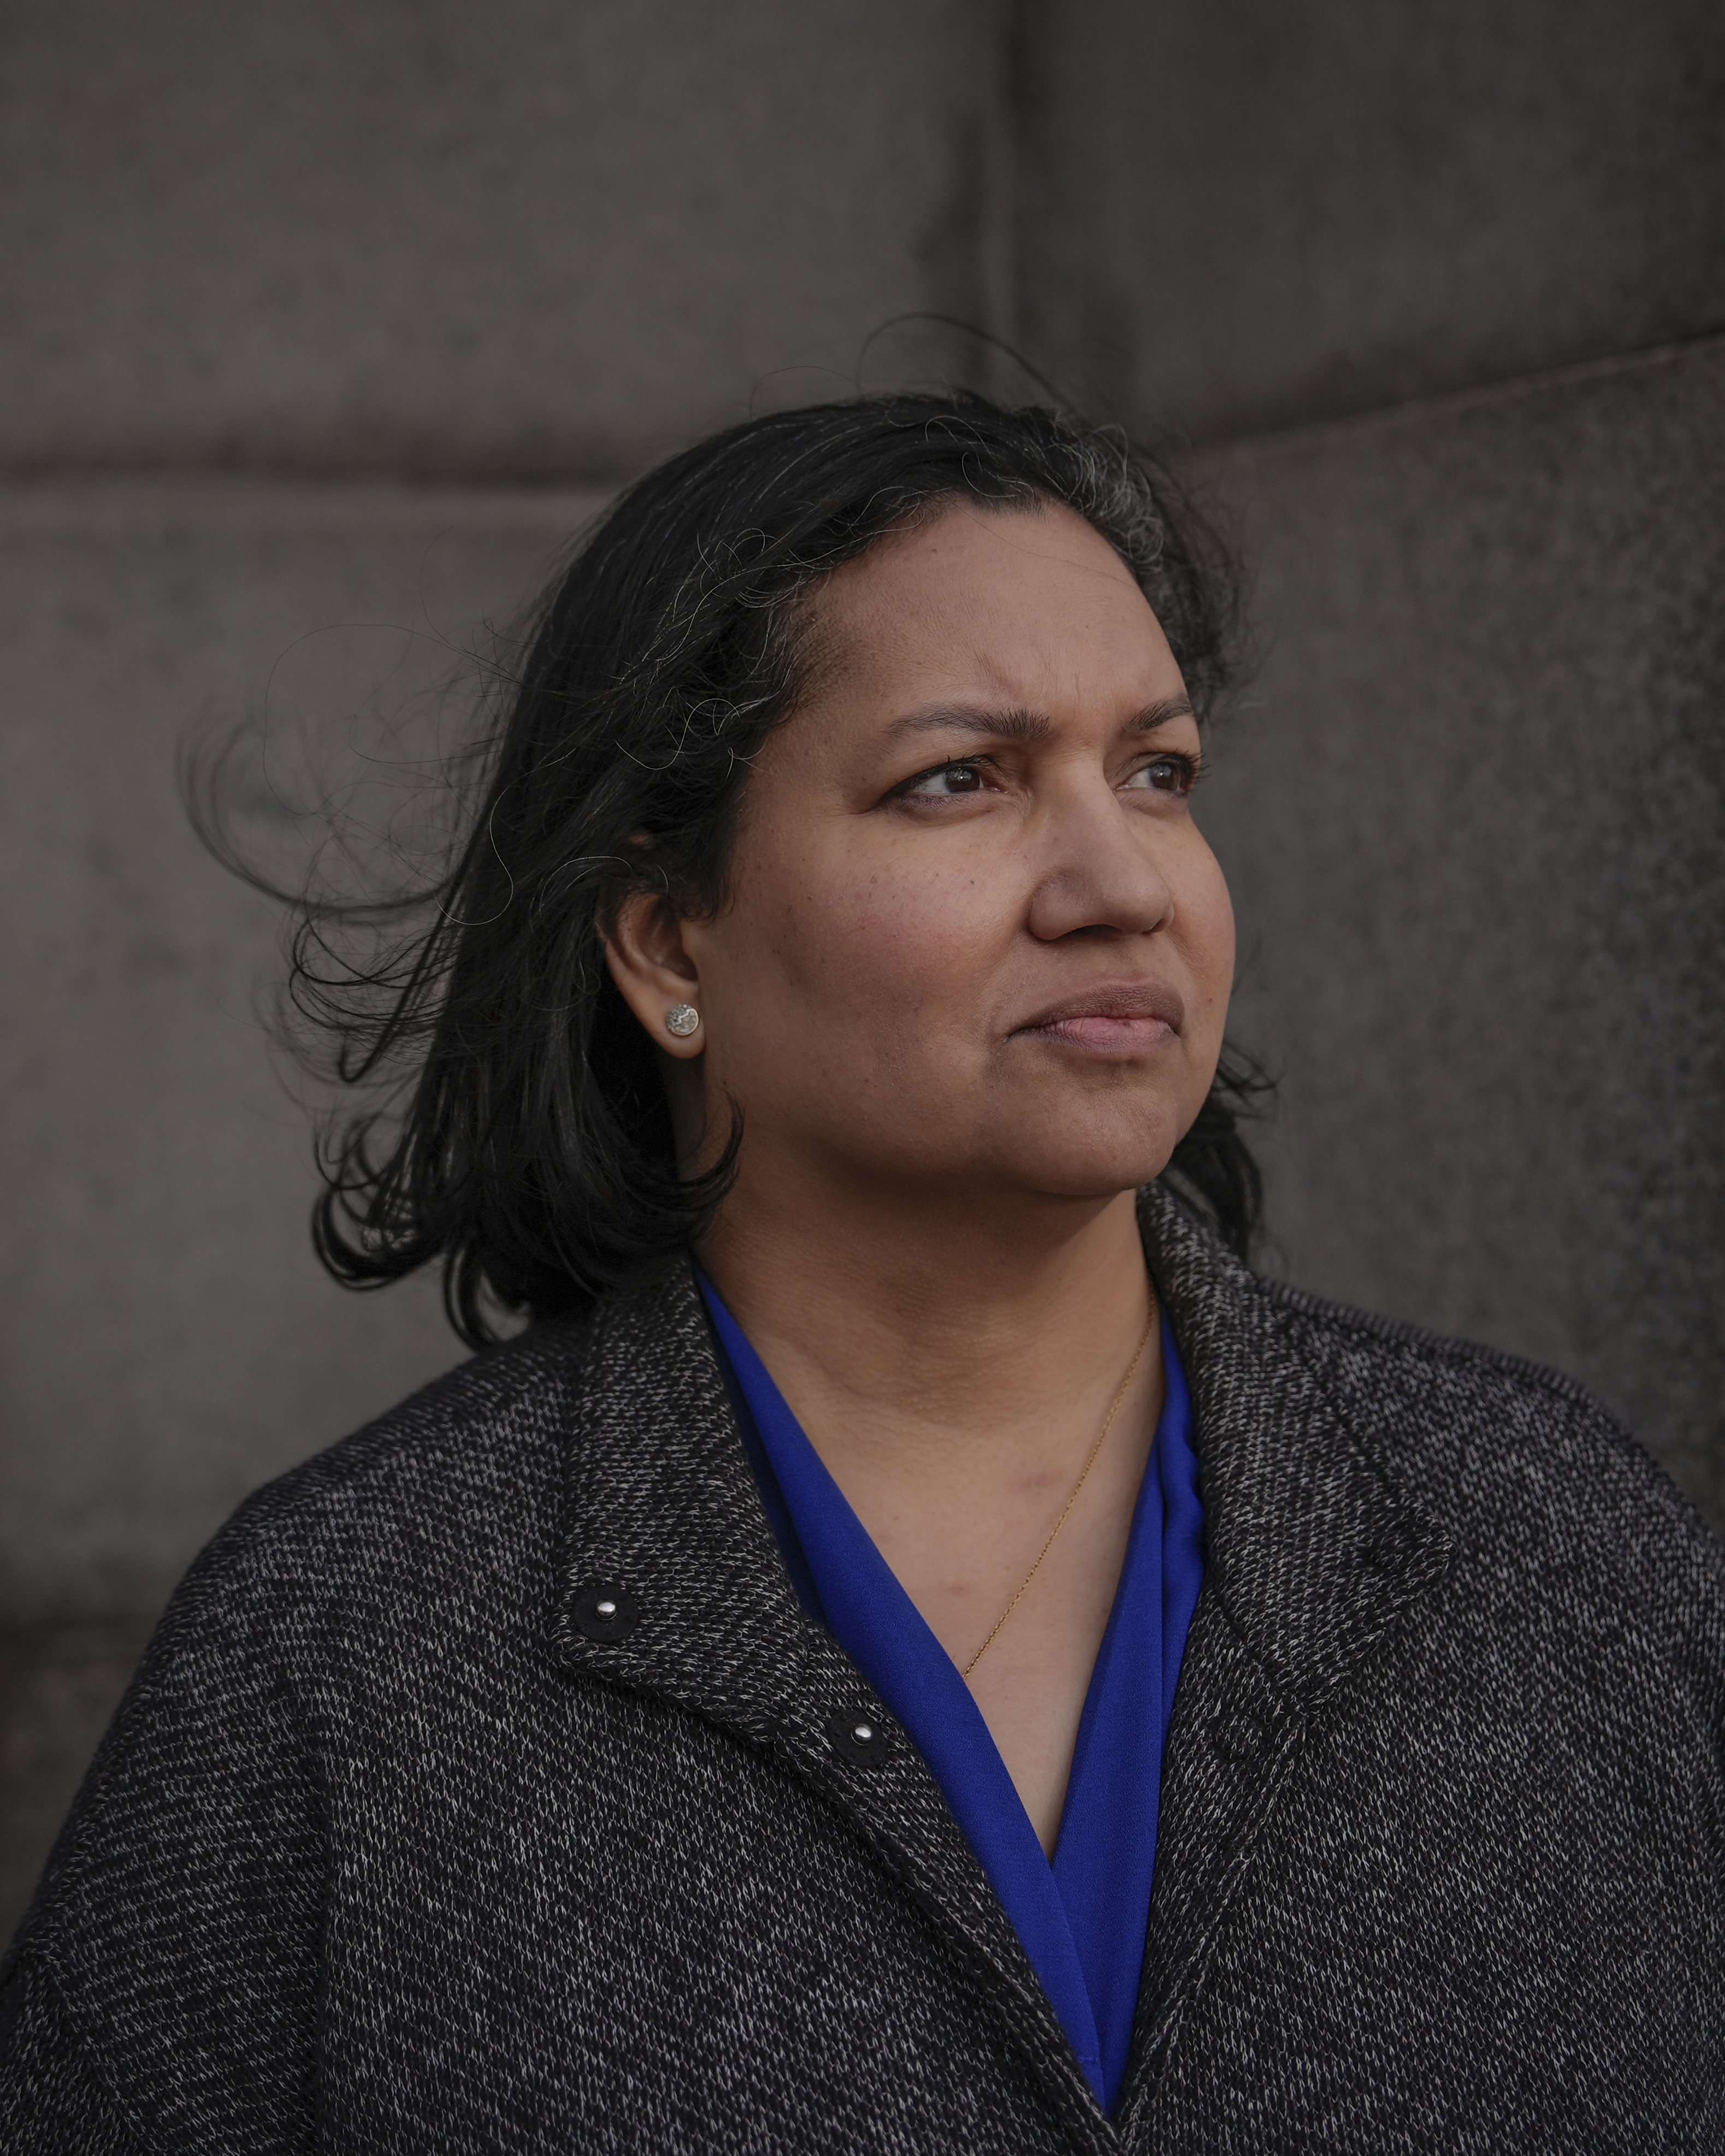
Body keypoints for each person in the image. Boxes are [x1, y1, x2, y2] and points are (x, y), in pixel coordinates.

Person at [2, 394, 1720, 2154]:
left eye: (1160, 772)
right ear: (668, 937)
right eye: (958, 778)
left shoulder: (1548, 1534)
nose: (1121, 879)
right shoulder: (343, 1658)